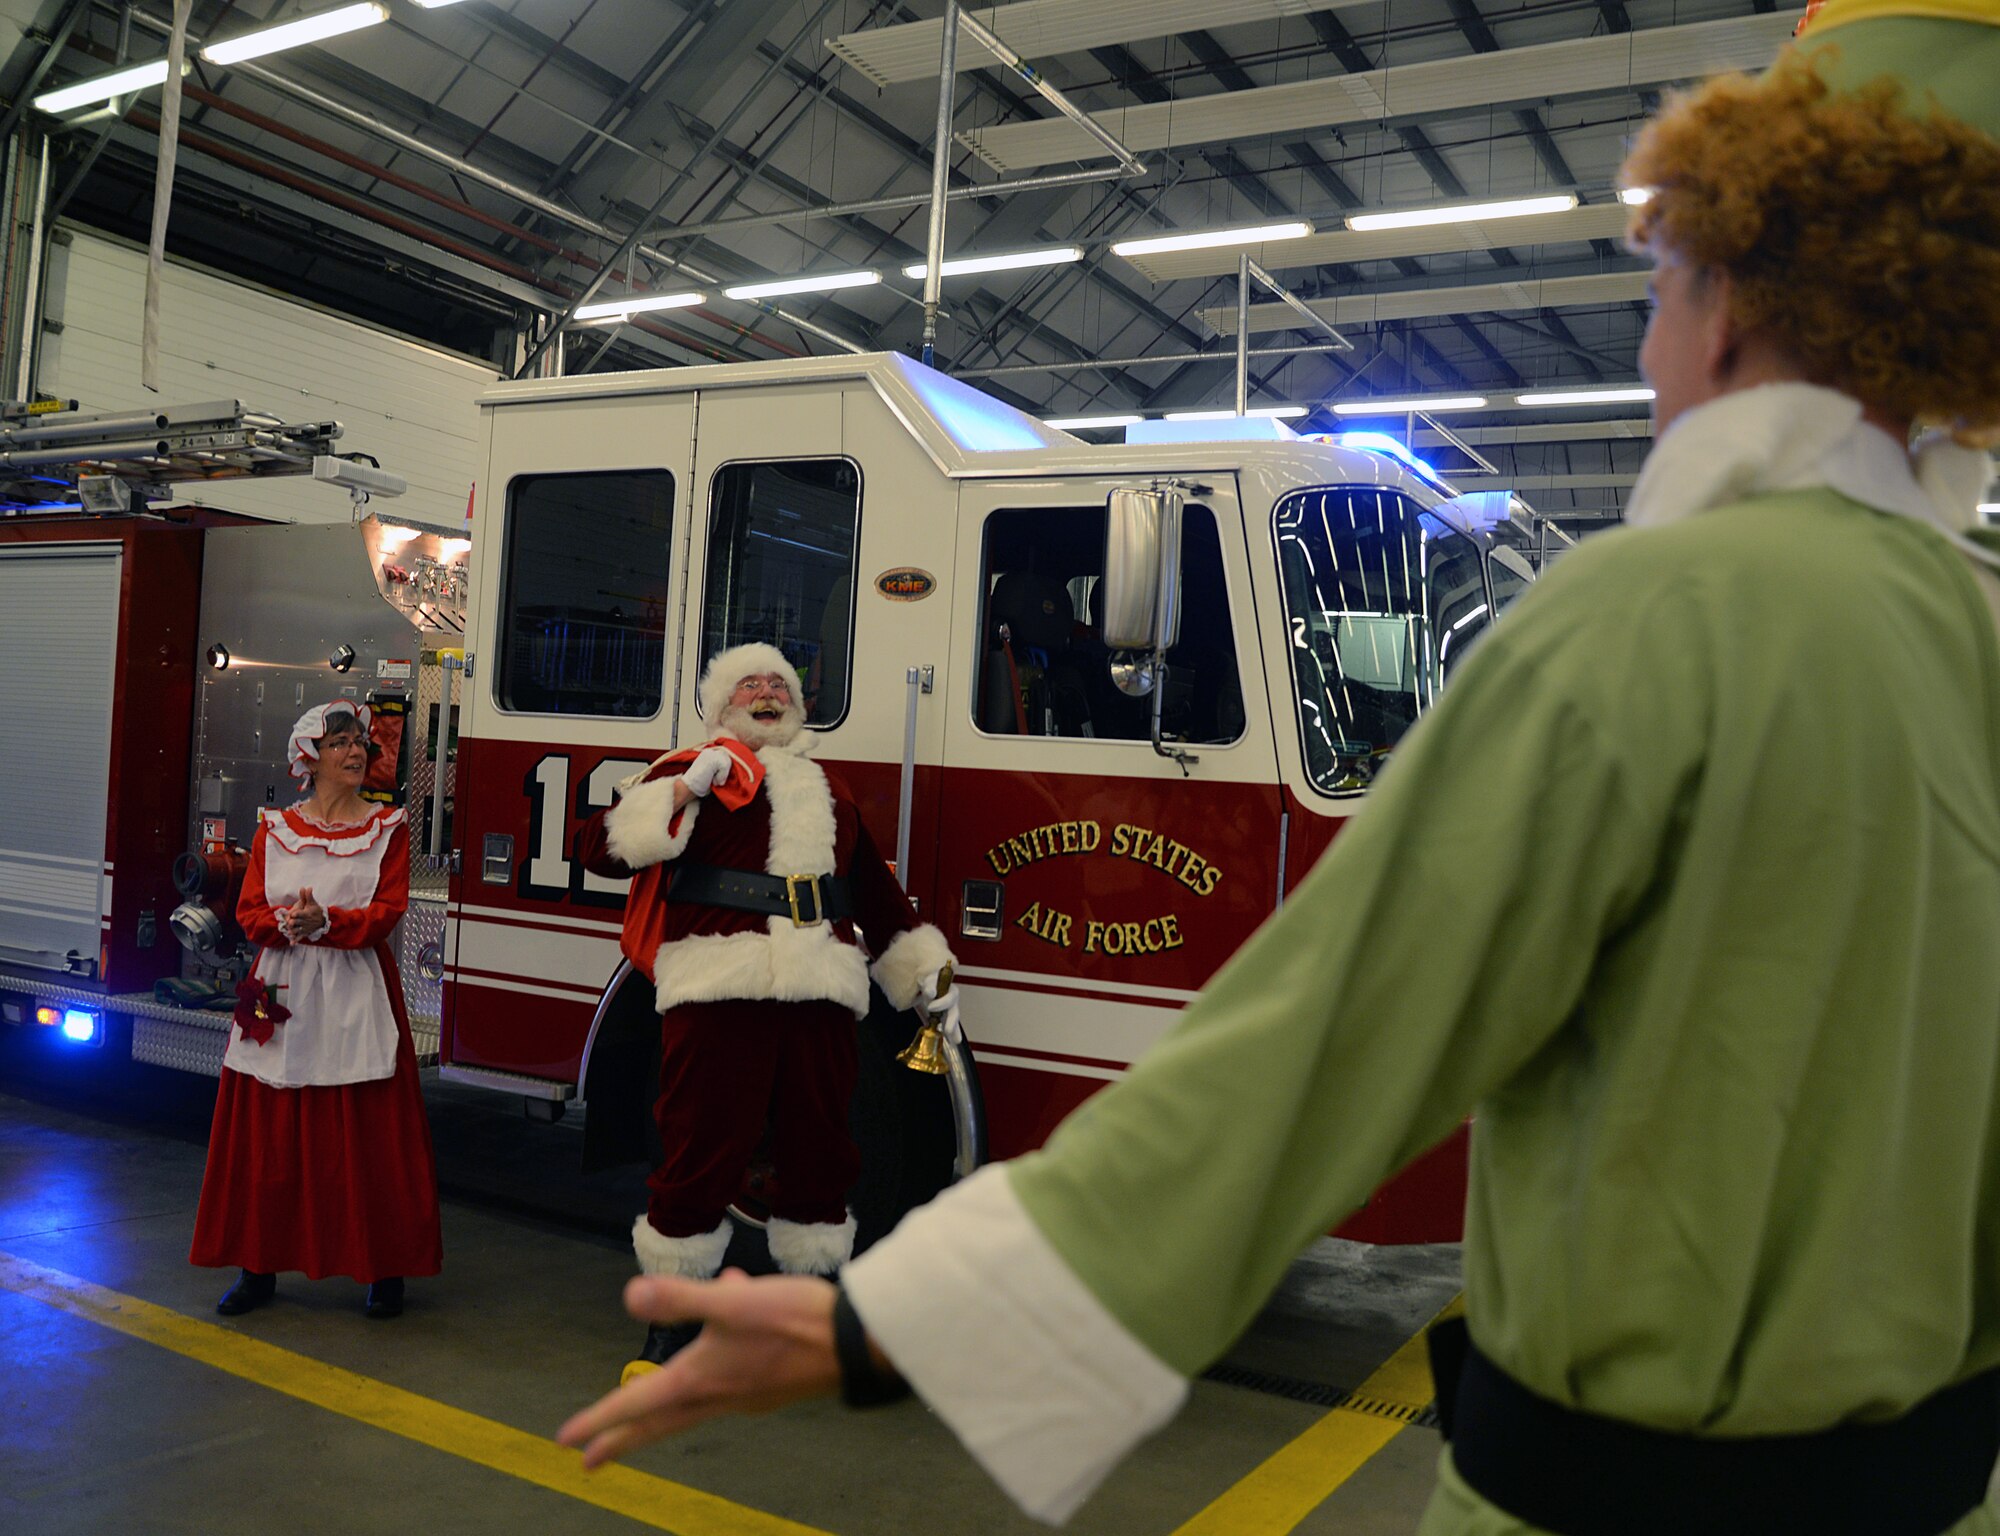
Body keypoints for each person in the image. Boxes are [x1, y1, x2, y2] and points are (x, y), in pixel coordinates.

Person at [558, 6, 2000, 1531]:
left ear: (1727, 299)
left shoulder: (1651, 618)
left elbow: (1321, 1049)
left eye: (1658, 287)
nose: (1649, 350)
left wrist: (894, 1321)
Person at [573, 642, 957, 1381]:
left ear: (799, 708)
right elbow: (599, 849)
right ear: (720, 708)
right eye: (749, 684)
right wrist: (682, 790)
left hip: (819, 995)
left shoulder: (831, 793)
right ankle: (671, 1326)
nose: (767, 691)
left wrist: (923, 973)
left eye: (779, 684)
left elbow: (873, 894)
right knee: (699, 1150)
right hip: (718, 992)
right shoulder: (684, 774)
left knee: (822, 1154)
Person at [190, 703, 442, 1319]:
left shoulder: (389, 827)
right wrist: (286, 922)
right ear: (311, 757)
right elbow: (248, 910)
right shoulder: (275, 829)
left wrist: (328, 920)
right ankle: (258, 1264)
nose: (356, 752)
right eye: (341, 744)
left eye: (360, 743)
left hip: (356, 985)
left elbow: (388, 909)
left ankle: (382, 1269)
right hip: (278, 982)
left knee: (366, 1130)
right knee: (269, 1128)